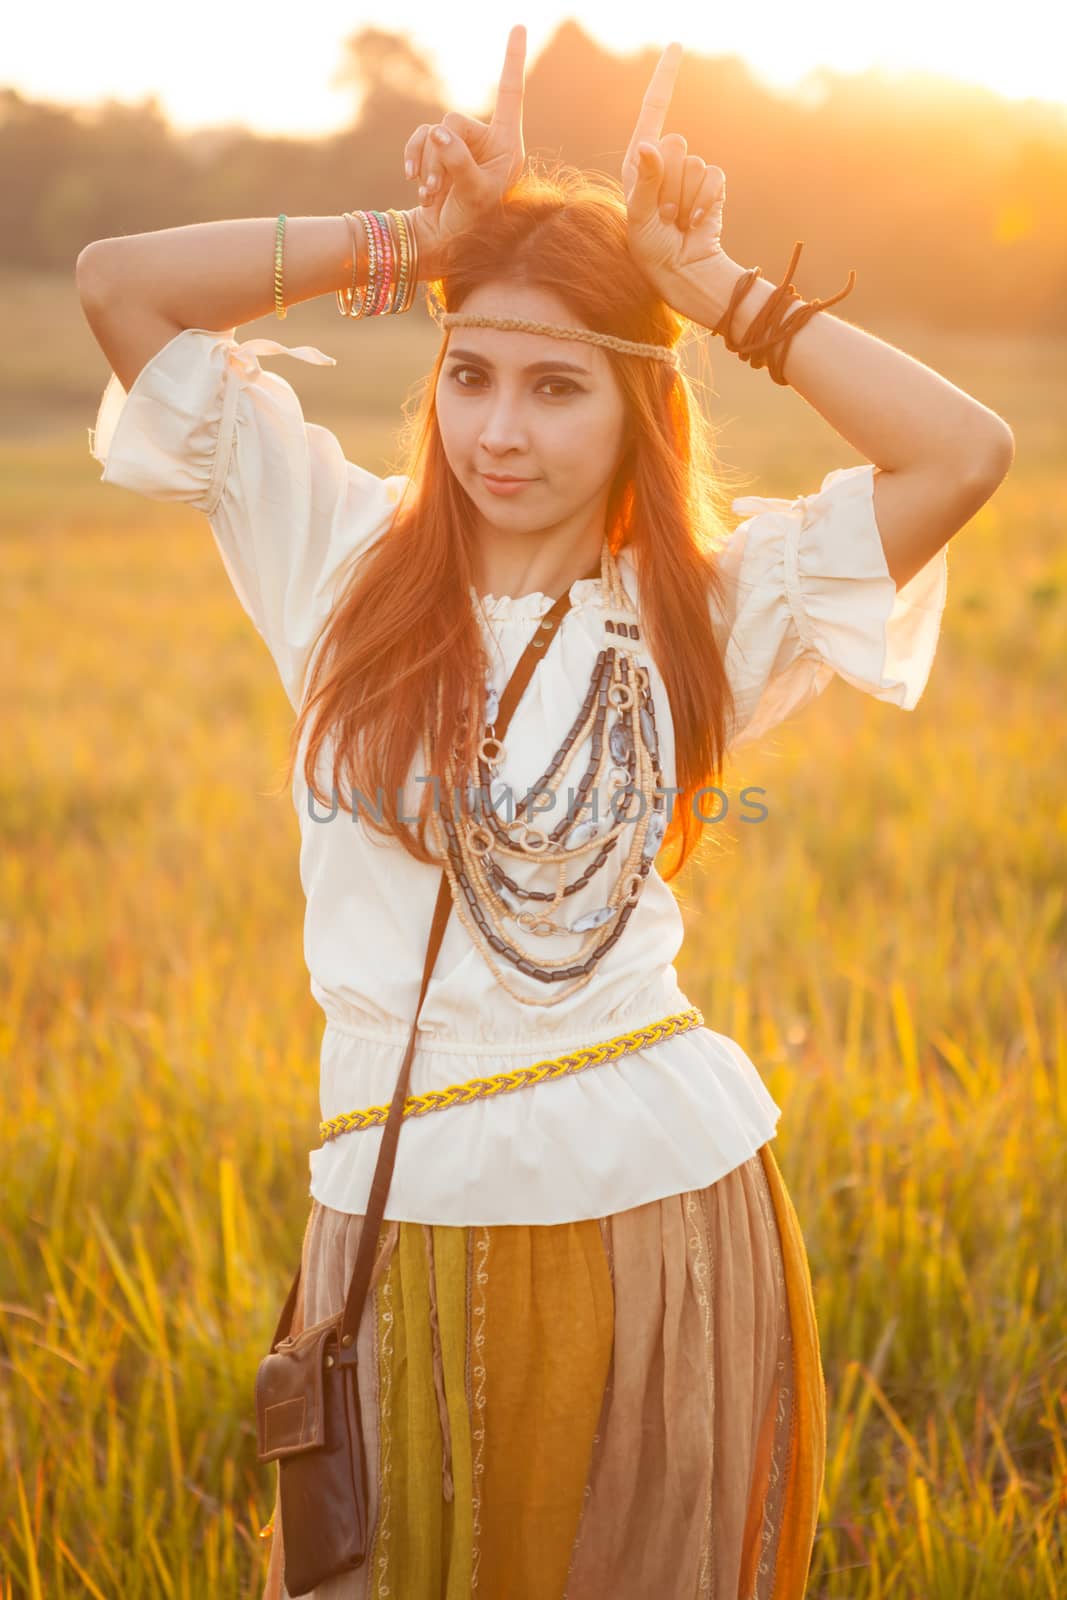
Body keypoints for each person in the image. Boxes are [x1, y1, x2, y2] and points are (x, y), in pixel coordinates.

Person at [75, 26, 1014, 1600]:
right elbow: (120, 281)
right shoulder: (340, 556)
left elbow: (963, 452)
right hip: (391, 1205)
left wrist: (716, 288)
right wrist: (415, 243)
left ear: (637, 409)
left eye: (558, 387)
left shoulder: (709, 607)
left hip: (656, 1207)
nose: (499, 430)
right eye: (471, 375)